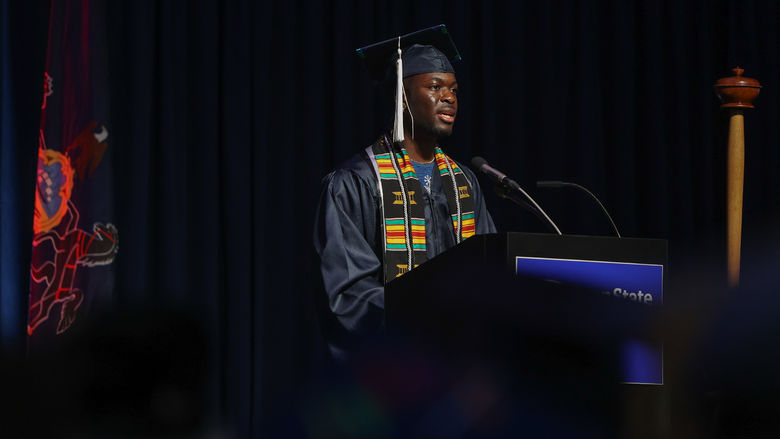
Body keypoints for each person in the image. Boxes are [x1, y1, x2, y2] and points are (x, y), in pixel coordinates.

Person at [313, 25, 496, 358]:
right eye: (435, 87)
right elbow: (348, 293)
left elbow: (489, 272)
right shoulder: (354, 182)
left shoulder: (464, 183)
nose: (449, 98)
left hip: (459, 370)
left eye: (454, 89)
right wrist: (429, 318)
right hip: (387, 371)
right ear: (402, 97)